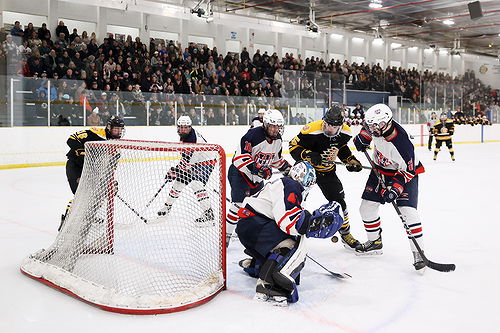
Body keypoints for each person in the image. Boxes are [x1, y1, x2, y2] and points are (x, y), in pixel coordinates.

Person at [237, 161, 343, 306]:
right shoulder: (291, 185)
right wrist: (313, 224)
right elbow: (289, 222)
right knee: (290, 245)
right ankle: (269, 284)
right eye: (308, 178)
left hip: (251, 224)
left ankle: (258, 265)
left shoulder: (285, 184)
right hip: (256, 224)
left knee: (290, 239)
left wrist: (306, 224)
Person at [353, 103, 426, 271]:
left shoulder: (401, 143)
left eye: (377, 126)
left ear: (388, 122)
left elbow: (408, 171)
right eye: (372, 125)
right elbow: (366, 126)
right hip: (380, 169)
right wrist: (363, 136)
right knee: (366, 208)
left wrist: (395, 189)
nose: (374, 129)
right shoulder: (377, 125)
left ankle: (418, 252)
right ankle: (375, 242)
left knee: (408, 213)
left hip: (403, 173)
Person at [288, 104, 363, 250]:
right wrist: (307, 155)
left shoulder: (346, 133)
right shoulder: (311, 130)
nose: (329, 129)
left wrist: (350, 160)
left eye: (334, 127)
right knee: (292, 199)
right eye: (327, 124)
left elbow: (341, 148)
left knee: (340, 202)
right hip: (306, 171)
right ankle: (288, 230)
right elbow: (292, 147)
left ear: (340, 126)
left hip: (326, 171)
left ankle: (346, 233)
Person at [226, 109, 292, 243]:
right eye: (273, 126)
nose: (275, 130)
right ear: (266, 125)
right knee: (238, 205)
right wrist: (258, 168)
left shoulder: (278, 140)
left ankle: (248, 231)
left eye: (278, 126)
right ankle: (226, 236)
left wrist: (287, 168)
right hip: (240, 173)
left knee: (258, 206)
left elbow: (275, 159)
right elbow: (239, 158)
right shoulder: (252, 135)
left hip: (257, 178)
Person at [60, 116, 125, 229]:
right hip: (76, 167)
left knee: (99, 194)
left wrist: (110, 182)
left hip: (90, 170)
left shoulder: (116, 146)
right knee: (82, 195)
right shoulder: (96, 133)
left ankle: (89, 216)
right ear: (109, 128)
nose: (119, 132)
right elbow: (71, 139)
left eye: (121, 129)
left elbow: (111, 167)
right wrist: (81, 152)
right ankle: (66, 221)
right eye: (116, 129)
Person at [157, 116, 216, 225]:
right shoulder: (184, 137)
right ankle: (167, 206)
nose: (183, 130)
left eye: (186, 127)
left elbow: (190, 163)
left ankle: (208, 213)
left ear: (190, 127)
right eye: (181, 127)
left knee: (196, 184)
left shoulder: (193, 140)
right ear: (178, 127)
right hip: (195, 162)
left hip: (206, 161)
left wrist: (176, 171)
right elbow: (186, 159)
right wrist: (176, 171)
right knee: (179, 182)